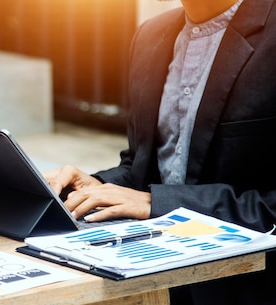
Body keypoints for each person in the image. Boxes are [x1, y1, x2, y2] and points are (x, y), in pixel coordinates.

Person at [43, 0, 276, 304]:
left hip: (250, 285)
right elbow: (146, 165)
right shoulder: (152, 36)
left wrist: (159, 202)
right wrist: (97, 187)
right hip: (159, 277)